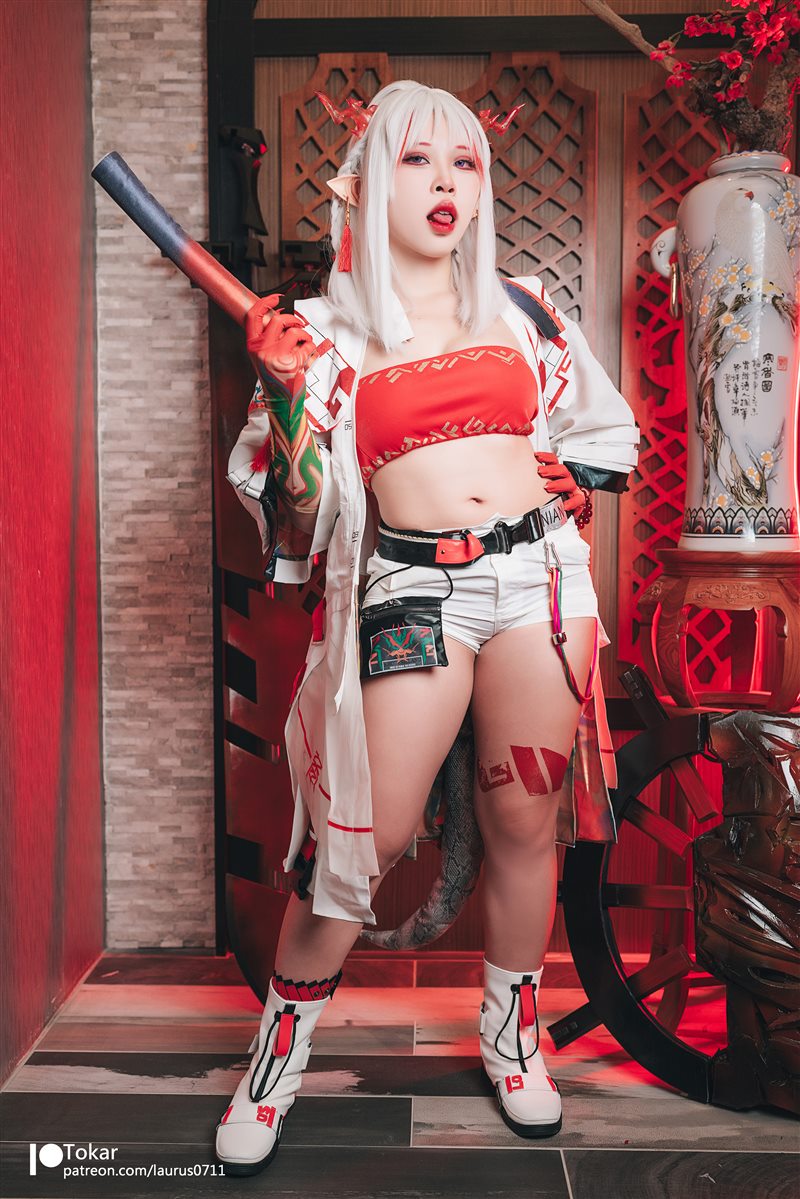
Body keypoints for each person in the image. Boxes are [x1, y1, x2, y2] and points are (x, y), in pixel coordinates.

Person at [218, 80, 639, 1176]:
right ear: (367, 183)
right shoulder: (323, 335)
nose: (445, 182)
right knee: (363, 839)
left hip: (538, 583)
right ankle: (276, 1055)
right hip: (413, 593)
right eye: (416, 160)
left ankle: (513, 1037)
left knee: (523, 819)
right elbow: (299, 510)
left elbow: (600, 434)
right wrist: (284, 395)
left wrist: (571, 478)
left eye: (464, 163)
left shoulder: (523, 308)